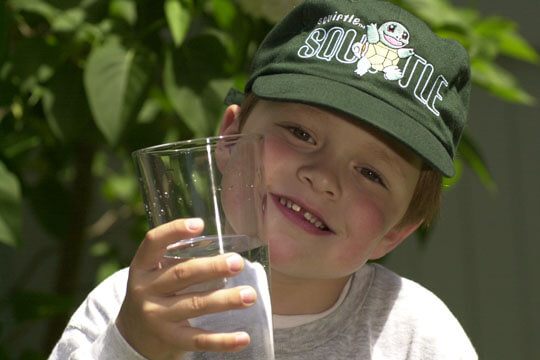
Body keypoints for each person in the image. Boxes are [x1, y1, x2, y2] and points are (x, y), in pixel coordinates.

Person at [49, 0, 477, 358]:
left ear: (396, 232)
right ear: (231, 138)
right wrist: (131, 347)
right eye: (301, 133)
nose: (322, 176)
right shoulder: (136, 304)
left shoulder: (418, 337)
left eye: (371, 173)